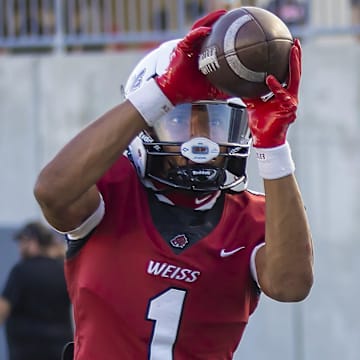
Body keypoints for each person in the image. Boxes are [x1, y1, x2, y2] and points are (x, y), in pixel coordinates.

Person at [34, 8, 314, 359]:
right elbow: (52, 191)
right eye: (182, 119)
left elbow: (292, 284)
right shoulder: (113, 190)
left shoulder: (253, 217)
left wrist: (273, 146)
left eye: (214, 121)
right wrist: (163, 90)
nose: (202, 138)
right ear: (147, 121)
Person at [0, 221, 73, 360]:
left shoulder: (21, 271)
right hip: (60, 352)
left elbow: (2, 309)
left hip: (26, 353)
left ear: (33, 242)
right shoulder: (64, 271)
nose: (20, 248)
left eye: (22, 242)